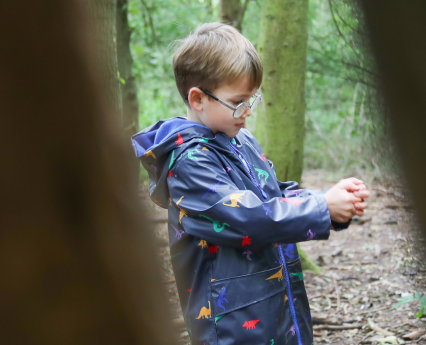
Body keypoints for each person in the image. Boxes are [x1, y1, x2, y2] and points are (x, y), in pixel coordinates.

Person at [131, 22, 369, 345]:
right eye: (239, 102)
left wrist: (329, 201)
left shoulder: (241, 140)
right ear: (198, 99)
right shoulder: (187, 164)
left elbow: (274, 195)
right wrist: (322, 207)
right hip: (233, 326)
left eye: (253, 101)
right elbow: (249, 219)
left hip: (278, 310)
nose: (248, 112)